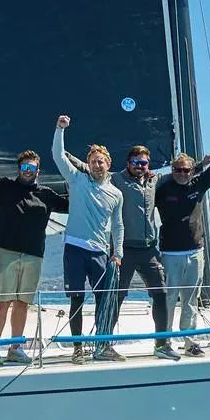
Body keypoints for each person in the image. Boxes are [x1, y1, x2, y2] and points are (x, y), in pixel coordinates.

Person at [63, 145, 179, 361]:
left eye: (143, 163)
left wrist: (201, 165)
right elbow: (92, 169)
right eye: (136, 162)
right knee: (114, 297)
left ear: (148, 164)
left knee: (161, 294)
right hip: (125, 249)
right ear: (128, 163)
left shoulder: (154, 180)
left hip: (149, 249)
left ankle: (162, 344)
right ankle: (103, 345)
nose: (140, 166)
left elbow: (180, 173)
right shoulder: (115, 179)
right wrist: (69, 156)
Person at [0, 127, 69, 365]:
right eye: (24, 167)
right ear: (19, 169)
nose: (28, 171)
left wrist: (77, 180)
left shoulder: (47, 194)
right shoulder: (4, 187)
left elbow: (71, 206)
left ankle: (15, 349)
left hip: (34, 256)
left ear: (38, 171)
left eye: (32, 168)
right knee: (1, 303)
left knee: (22, 303)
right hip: (5, 253)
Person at [52, 114, 125, 364]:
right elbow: (58, 157)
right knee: (77, 300)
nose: (97, 165)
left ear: (108, 164)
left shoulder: (116, 194)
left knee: (104, 300)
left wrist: (118, 253)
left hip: (100, 252)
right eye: (93, 162)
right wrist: (60, 129)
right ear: (88, 164)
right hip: (74, 248)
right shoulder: (77, 179)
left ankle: (103, 346)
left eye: (101, 161)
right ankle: (77, 348)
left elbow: (118, 225)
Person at [155, 122, 210, 356]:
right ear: (172, 170)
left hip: (194, 252)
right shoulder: (162, 187)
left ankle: (189, 342)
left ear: (192, 171)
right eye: (177, 170)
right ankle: (164, 341)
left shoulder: (199, 184)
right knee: (169, 299)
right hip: (170, 253)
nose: (182, 174)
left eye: (186, 170)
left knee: (190, 300)